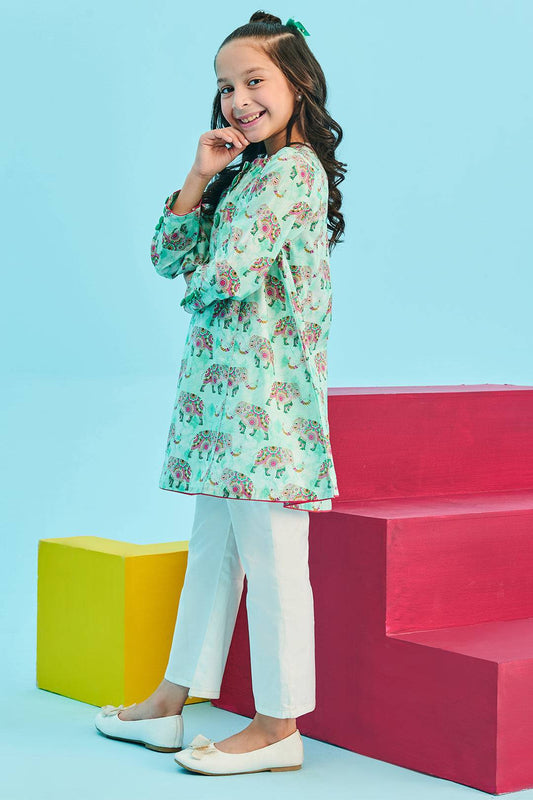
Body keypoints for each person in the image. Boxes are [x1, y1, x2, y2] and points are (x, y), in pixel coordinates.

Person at [94, 10, 346, 775]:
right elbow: (168, 255)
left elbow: (226, 274)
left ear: (297, 82)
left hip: (267, 405)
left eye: (254, 80)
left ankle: (278, 727)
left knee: (273, 564)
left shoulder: (293, 170)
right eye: (225, 86)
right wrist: (200, 175)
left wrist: (201, 274)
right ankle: (170, 703)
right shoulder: (243, 174)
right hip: (219, 405)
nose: (238, 100)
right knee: (212, 554)